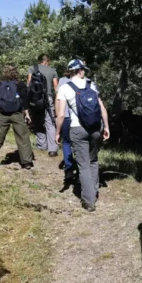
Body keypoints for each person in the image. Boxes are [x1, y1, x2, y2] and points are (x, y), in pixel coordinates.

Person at [55, 58, 110, 211]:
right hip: (95, 129)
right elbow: (102, 107)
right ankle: (94, 191)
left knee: (83, 165)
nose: (85, 71)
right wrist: (106, 127)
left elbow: (60, 115)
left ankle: (89, 200)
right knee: (93, 161)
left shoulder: (64, 88)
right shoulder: (91, 85)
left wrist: (58, 132)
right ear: (80, 70)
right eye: (83, 69)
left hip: (77, 129)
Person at [0, 64, 34, 169]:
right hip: (17, 114)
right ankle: (27, 162)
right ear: (16, 72)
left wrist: (0, 111)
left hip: (3, 115)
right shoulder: (20, 84)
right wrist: (26, 113)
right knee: (23, 137)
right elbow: (24, 100)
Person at [26, 54, 60, 156]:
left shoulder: (32, 68)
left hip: (35, 99)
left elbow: (28, 83)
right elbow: (56, 87)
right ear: (47, 61)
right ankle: (53, 149)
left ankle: (42, 145)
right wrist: (57, 100)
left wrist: (27, 100)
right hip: (48, 98)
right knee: (50, 122)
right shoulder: (52, 71)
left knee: (37, 121)